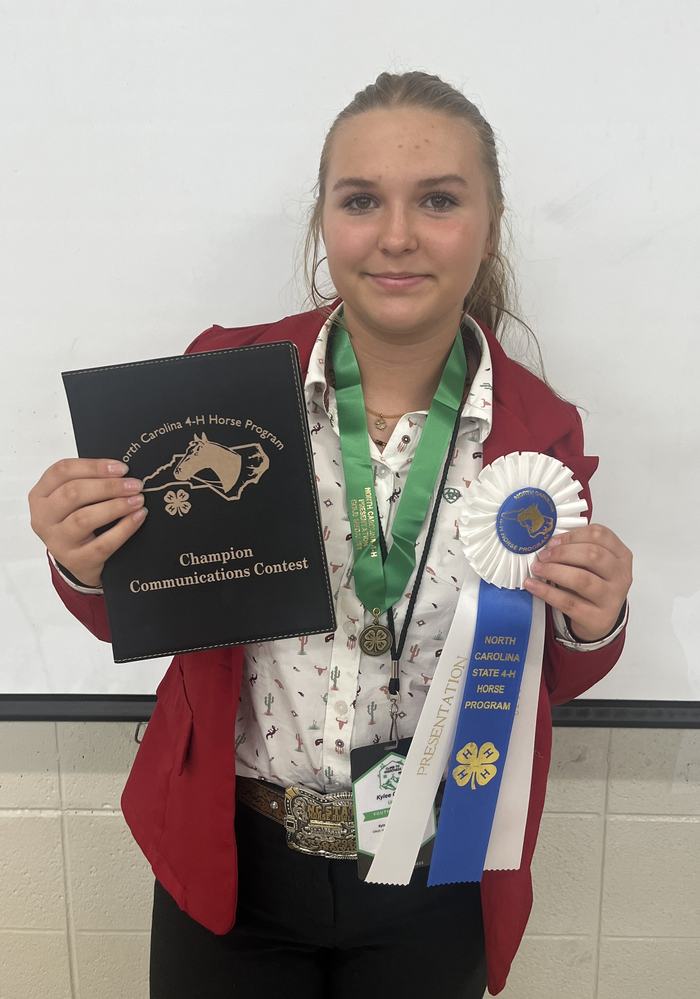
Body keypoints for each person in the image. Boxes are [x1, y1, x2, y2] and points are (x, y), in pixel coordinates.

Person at [28, 71, 632, 997]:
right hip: (239, 862)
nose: (396, 235)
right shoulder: (222, 381)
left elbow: (541, 674)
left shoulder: (539, 432)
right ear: (325, 220)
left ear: (489, 221)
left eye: (437, 199)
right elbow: (142, 617)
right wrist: (83, 560)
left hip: (437, 866)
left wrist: (596, 619)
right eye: (362, 200)